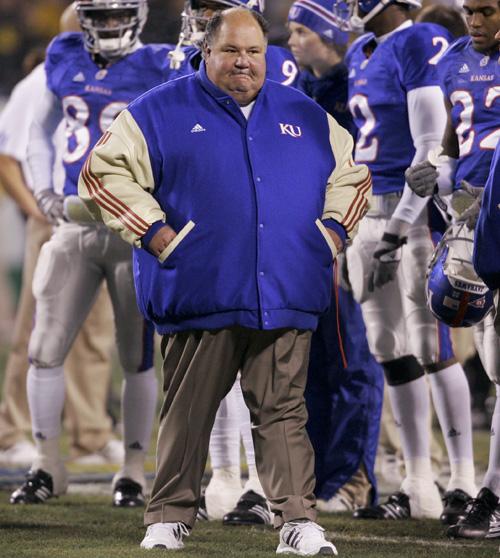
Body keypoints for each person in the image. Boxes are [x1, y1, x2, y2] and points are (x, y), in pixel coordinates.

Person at [79, 7, 372, 554]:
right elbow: (100, 173)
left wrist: (329, 236)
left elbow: (352, 178)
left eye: (255, 52)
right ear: (206, 52)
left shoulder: (303, 113)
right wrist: (158, 233)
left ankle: (297, 521)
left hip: (285, 290)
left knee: (284, 412)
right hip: (200, 287)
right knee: (189, 409)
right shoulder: (159, 109)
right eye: (232, 51)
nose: (244, 62)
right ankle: (167, 518)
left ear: (268, 56)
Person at [8, 0, 179, 508]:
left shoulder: (162, 63)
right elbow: (38, 131)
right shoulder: (63, 53)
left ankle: (130, 471)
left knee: (136, 356)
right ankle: (46, 465)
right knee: (45, 344)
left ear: (137, 15)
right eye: (98, 16)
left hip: (130, 230)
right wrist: (42, 191)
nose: (106, 25)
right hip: (75, 224)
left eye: (115, 15)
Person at [332, 0, 477, 522]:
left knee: (430, 343)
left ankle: (462, 480)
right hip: (367, 215)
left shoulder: (417, 40)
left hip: (412, 216)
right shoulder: (360, 52)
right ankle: (418, 482)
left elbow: (429, 149)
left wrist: (398, 230)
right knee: (386, 346)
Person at [172, 0, 300, 526]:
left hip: (267, 237)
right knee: (210, 364)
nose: (201, 17)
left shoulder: (279, 72)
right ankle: (223, 475)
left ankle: (259, 486)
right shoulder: (184, 68)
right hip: (208, 237)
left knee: (264, 373)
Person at [0, 4, 121, 470]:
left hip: (99, 219)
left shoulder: (114, 75)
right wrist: (37, 210)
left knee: (96, 334)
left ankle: (89, 434)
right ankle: (13, 431)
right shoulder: (41, 81)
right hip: (55, 219)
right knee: (35, 328)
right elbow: (8, 156)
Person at [406, 1, 500, 537]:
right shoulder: (456, 61)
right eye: (469, 11)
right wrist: (436, 175)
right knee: (494, 362)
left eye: (486, 10)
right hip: (477, 227)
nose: (474, 21)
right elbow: (453, 148)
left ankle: (492, 495)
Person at [287, 0, 384, 513]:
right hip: (313, 239)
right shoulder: (304, 88)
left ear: (327, 33)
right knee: (320, 366)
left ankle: (355, 478)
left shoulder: (361, 82)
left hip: (360, 231)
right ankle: (326, 477)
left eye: (301, 30)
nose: (291, 42)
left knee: (355, 361)